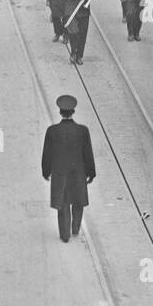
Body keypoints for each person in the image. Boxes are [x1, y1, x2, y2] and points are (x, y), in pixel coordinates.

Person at [41, 94, 96, 243]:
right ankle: (75, 229)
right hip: (78, 172)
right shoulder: (82, 131)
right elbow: (87, 153)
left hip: (60, 173)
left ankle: (65, 234)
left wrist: (46, 172)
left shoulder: (52, 131)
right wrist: (91, 172)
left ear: (60, 112)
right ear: (73, 112)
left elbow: (47, 154)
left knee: (63, 202)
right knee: (78, 201)